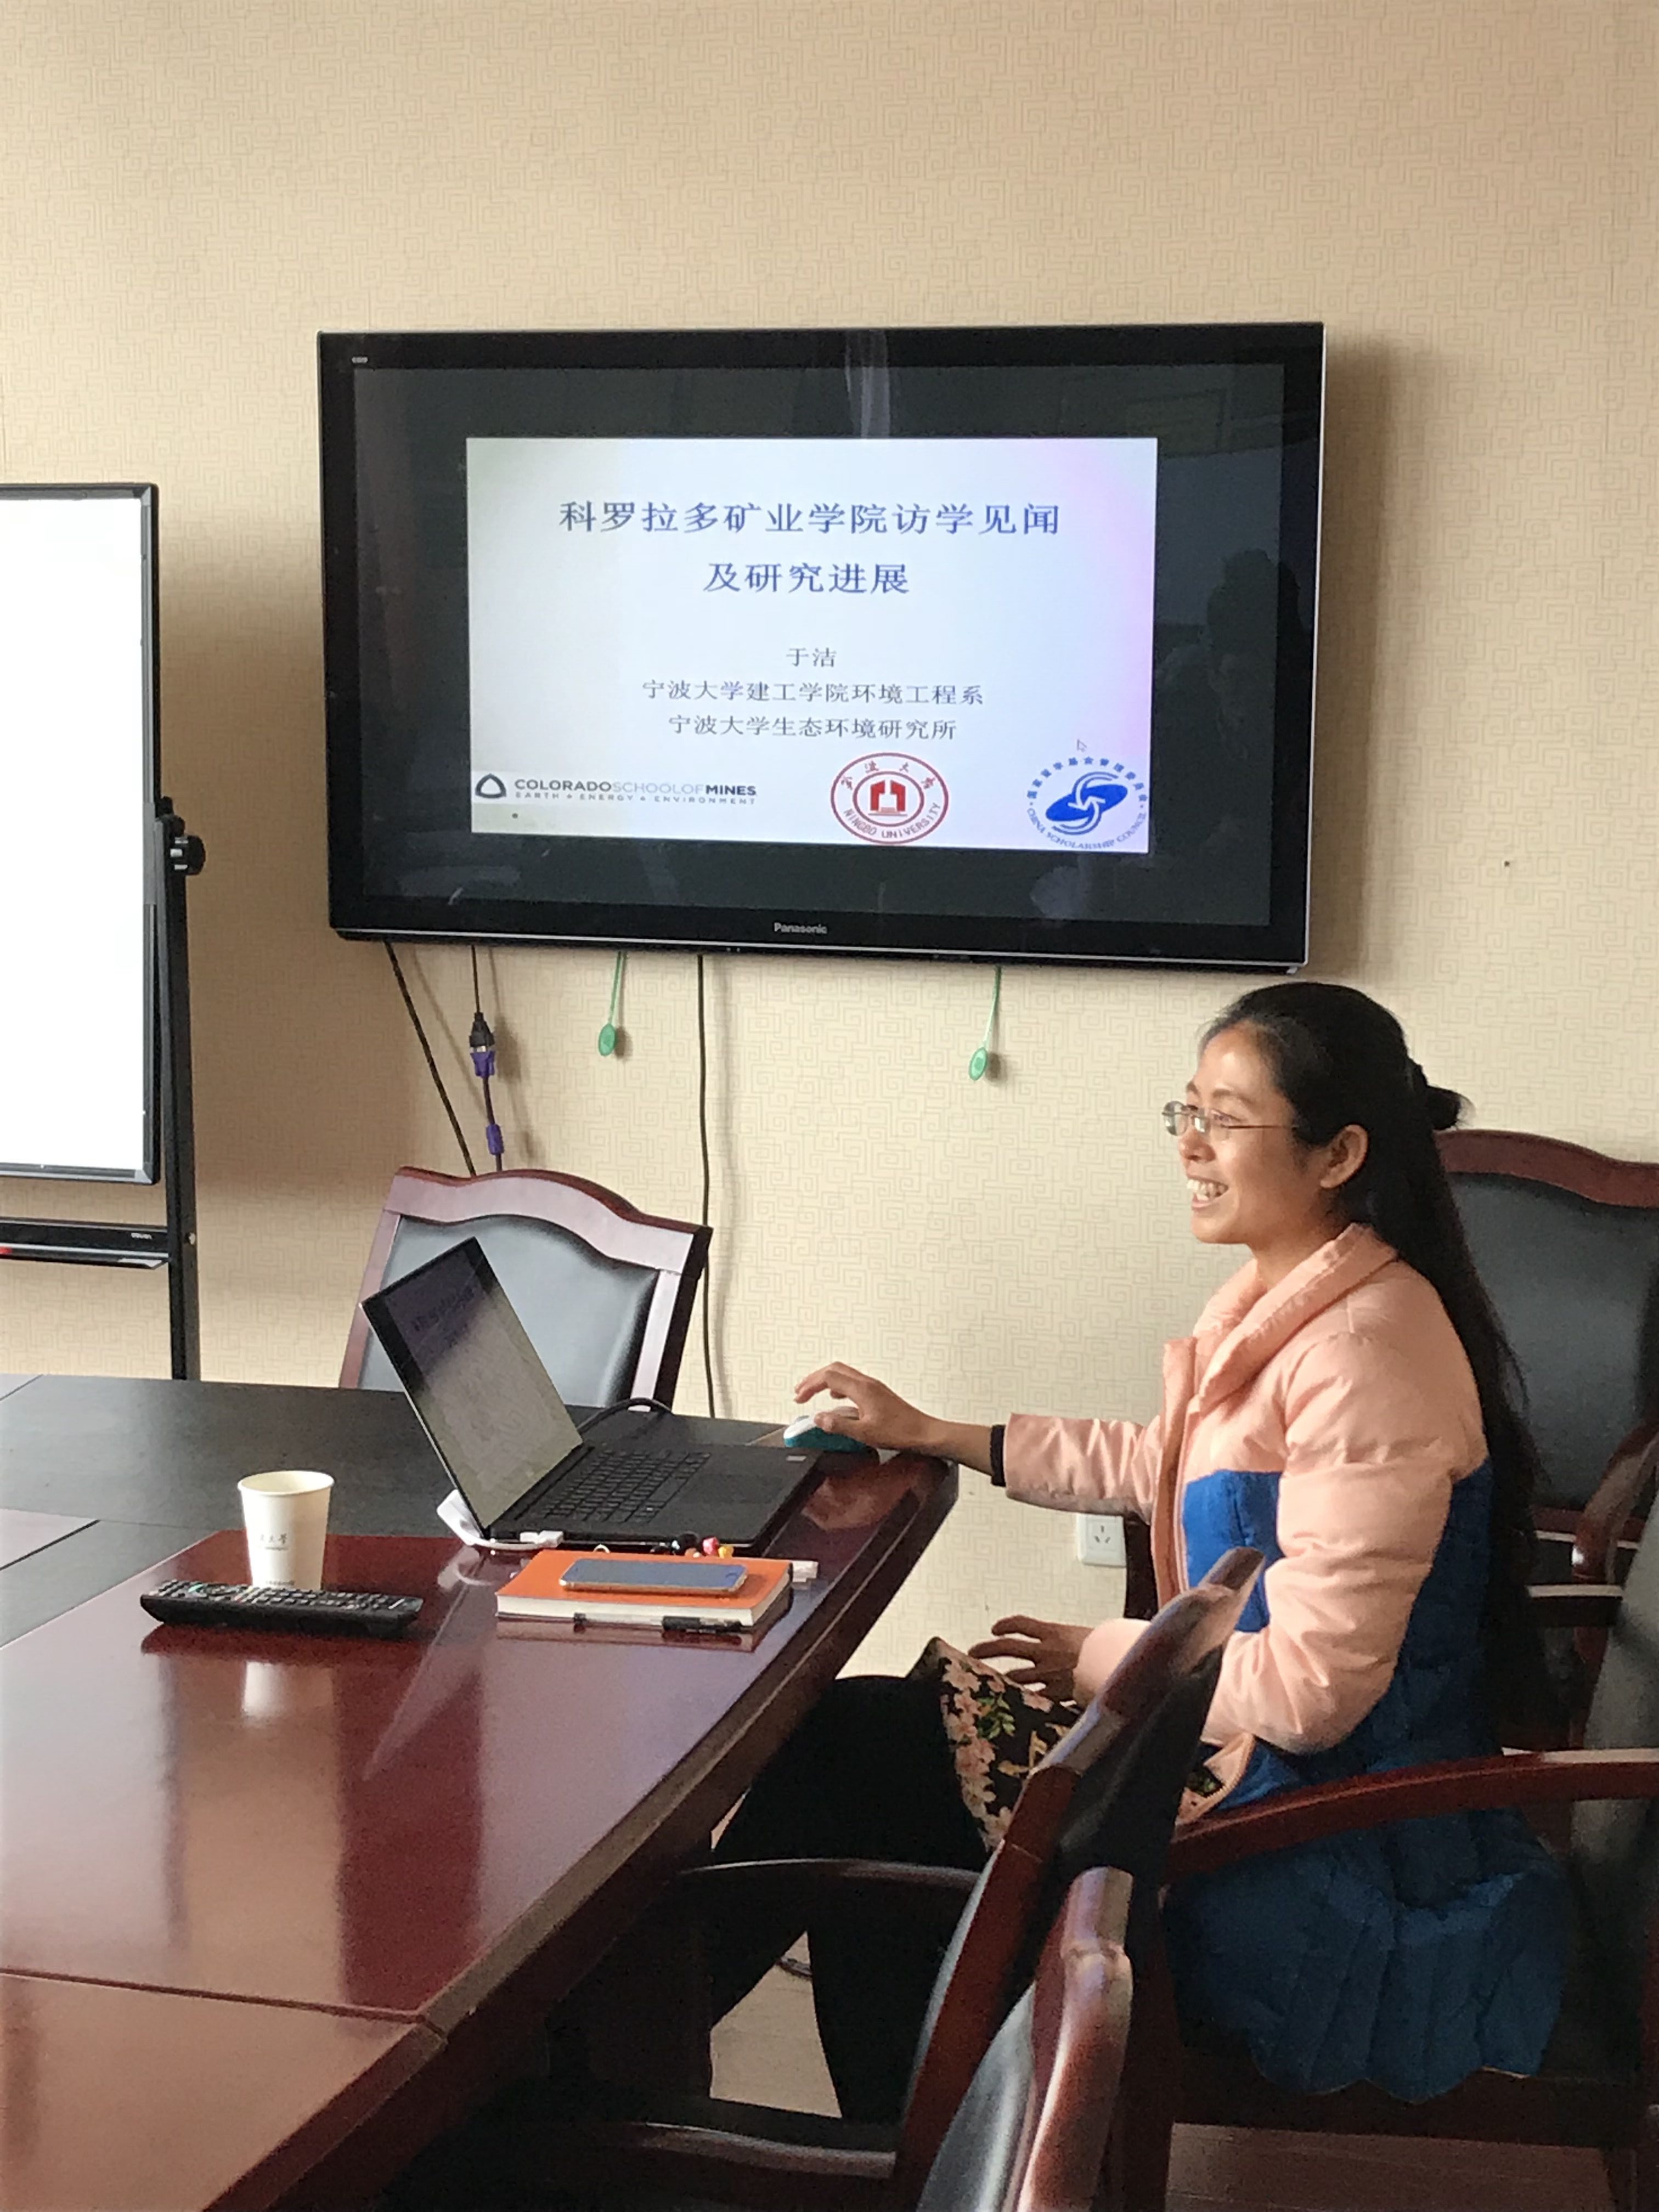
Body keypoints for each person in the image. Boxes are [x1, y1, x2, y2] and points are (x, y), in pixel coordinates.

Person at [707, 980, 1567, 2118]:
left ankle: (705, 2082)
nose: (1191, 1147)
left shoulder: (1364, 1351)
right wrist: (940, 1433)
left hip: (1322, 1845)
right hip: (1247, 1776)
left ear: (1339, 1153)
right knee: (864, 1749)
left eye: (1226, 1118)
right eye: (1187, 1112)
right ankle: (839, 2122)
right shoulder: (1304, 1297)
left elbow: (1311, 1696)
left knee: (868, 1771)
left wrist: (1104, 1658)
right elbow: (1170, 1461)